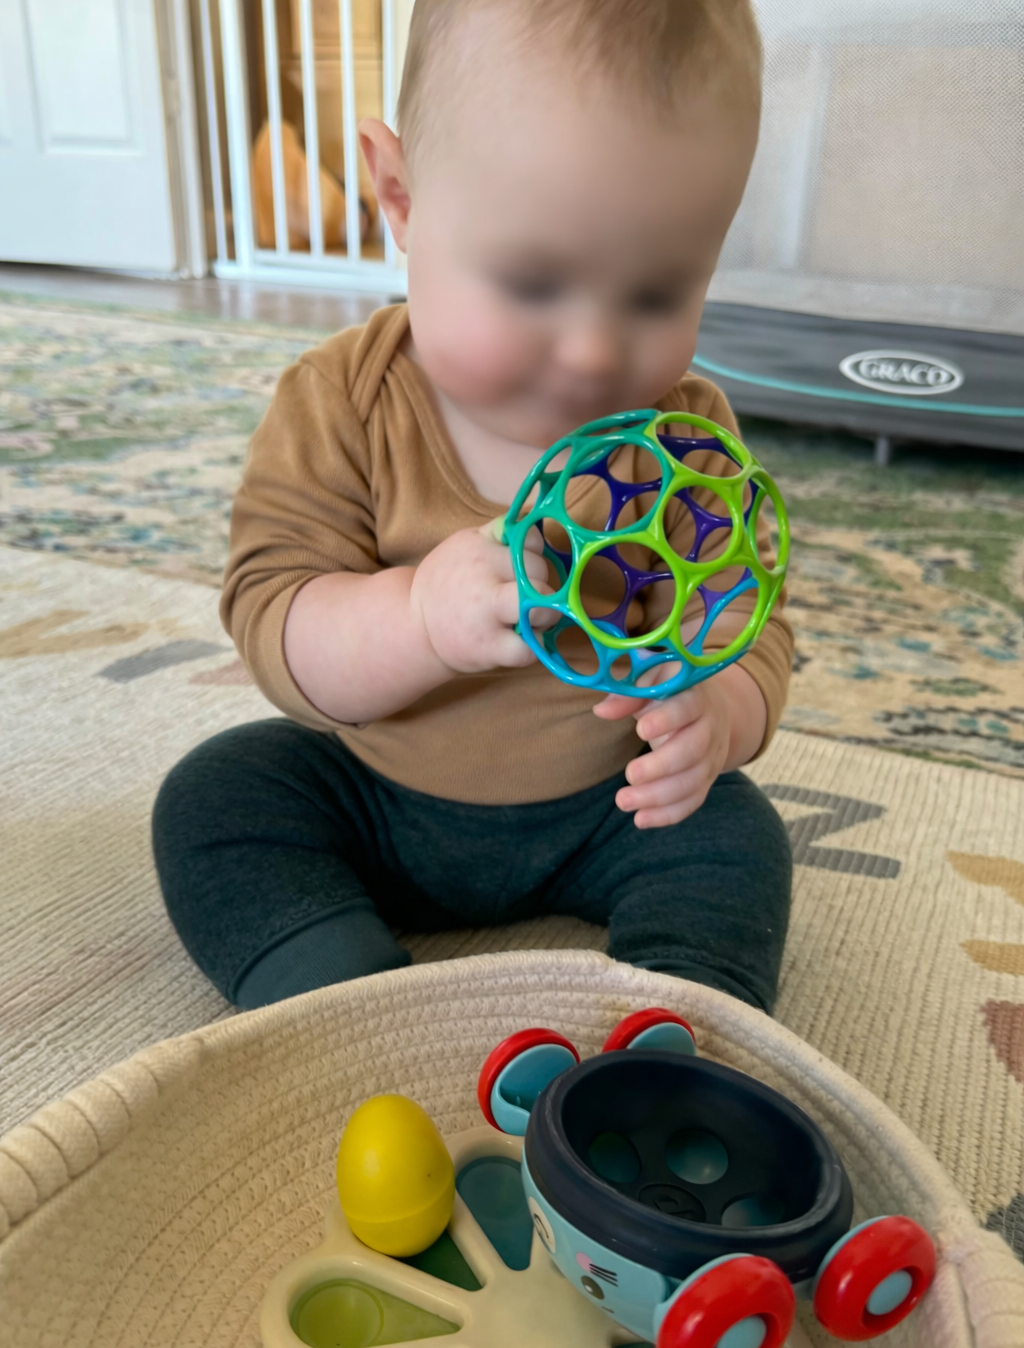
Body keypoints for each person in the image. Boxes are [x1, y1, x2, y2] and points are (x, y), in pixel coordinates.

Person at [152, 0, 794, 1014]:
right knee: (217, 799)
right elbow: (272, 615)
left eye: (655, 294)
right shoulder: (343, 401)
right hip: (371, 798)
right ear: (400, 195)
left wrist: (719, 714)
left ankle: (675, 1031)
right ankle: (338, 997)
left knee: (735, 832)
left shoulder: (682, 442)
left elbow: (750, 626)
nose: (590, 352)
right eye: (533, 282)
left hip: (604, 805)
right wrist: (412, 618)